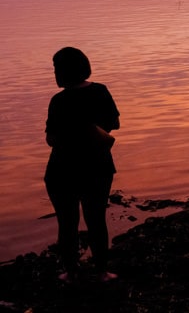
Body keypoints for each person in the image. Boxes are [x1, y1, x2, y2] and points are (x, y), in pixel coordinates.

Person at [45, 47, 120, 283]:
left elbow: (51, 140)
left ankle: (71, 271)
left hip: (62, 170)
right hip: (98, 166)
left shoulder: (58, 101)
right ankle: (101, 271)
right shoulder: (100, 91)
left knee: (67, 223)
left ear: (64, 71)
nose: (55, 73)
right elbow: (114, 124)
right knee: (96, 219)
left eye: (56, 68)